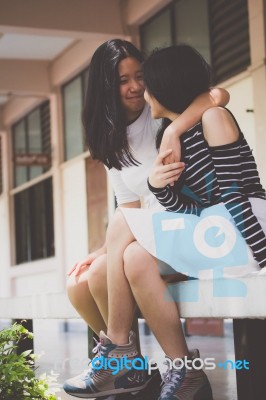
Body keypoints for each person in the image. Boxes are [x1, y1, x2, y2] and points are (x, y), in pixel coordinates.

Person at [64, 39, 229, 399]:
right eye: (123, 80)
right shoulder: (110, 135)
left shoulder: (159, 110)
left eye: (139, 76)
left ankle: (119, 354)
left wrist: (173, 129)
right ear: (107, 86)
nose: (136, 86)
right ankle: (131, 367)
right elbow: (128, 204)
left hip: (185, 228)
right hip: (155, 232)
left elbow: (218, 94)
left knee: (116, 257)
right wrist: (102, 250)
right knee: (81, 280)